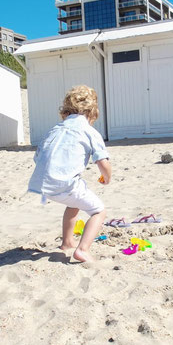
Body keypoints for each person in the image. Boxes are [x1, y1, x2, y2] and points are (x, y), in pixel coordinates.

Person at [28, 85, 111, 263]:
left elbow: (38, 157)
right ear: (92, 112)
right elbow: (103, 162)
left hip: (41, 184)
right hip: (64, 184)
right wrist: (107, 178)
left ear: (66, 111)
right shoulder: (89, 132)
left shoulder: (54, 130)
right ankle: (82, 249)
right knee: (98, 211)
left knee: (73, 203)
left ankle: (66, 242)